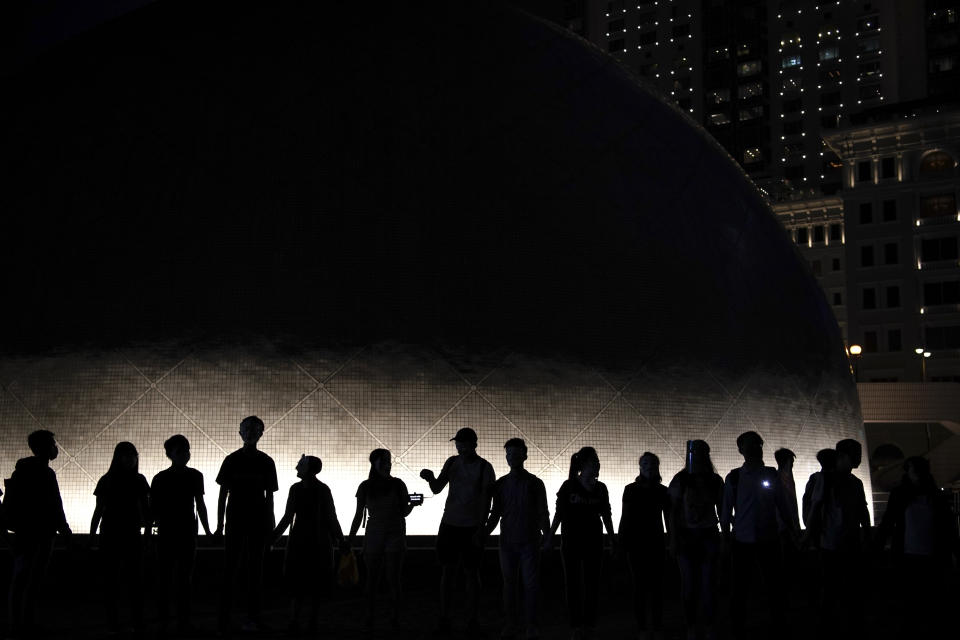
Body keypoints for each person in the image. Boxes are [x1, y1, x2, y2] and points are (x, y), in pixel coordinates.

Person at [720, 431, 797, 637]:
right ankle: (742, 624)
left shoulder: (770, 474)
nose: (756, 448)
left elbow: (781, 505)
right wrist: (726, 537)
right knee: (742, 586)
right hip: (745, 539)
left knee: (771, 584)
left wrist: (791, 529)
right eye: (751, 445)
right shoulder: (734, 477)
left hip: (765, 538)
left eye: (758, 444)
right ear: (741, 450)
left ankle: (774, 621)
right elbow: (726, 510)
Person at [420, 427, 496, 632]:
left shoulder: (484, 468)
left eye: (463, 444)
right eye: (458, 444)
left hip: (467, 526)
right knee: (452, 572)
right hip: (452, 524)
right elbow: (437, 488)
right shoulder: (453, 463)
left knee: (468, 573)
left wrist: (481, 529)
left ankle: (469, 617)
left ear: (474, 444)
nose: (460, 447)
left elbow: (487, 501)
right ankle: (450, 616)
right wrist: (430, 478)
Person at [875, 456, 959, 636]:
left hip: (915, 553)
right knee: (923, 601)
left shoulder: (905, 494)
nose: (918, 475)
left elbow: (888, 522)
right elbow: (947, 525)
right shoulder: (933, 495)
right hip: (921, 555)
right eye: (916, 471)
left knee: (917, 602)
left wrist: (877, 546)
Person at [477, 438, 549, 640]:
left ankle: (524, 624)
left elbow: (543, 513)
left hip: (524, 541)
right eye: (509, 454)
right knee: (517, 584)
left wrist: (547, 535)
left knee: (521, 584)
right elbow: (496, 513)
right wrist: (483, 533)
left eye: (515, 454)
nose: (512, 458)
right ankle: (519, 624)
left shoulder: (532, 483)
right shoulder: (509, 484)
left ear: (524, 456)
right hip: (512, 541)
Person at [5, 430, 72, 637]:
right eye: (53, 444)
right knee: (33, 581)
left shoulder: (21, 471)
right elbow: (55, 503)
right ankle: (26, 622)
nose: (55, 448)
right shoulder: (46, 473)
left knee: (21, 578)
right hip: (43, 533)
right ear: (44, 447)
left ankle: (16, 624)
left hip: (24, 533)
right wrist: (65, 529)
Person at [215, 415, 278, 634]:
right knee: (234, 569)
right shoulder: (235, 460)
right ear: (240, 432)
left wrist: (270, 525)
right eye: (247, 429)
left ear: (260, 433)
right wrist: (220, 524)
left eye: (254, 429)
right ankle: (231, 617)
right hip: (237, 520)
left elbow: (269, 497)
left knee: (251, 571)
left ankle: (240, 617)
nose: (250, 432)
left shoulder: (262, 461)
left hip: (252, 521)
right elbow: (223, 494)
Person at [545, 446, 615, 640]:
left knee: (592, 583)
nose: (597, 465)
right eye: (594, 462)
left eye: (597, 462)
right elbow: (559, 514)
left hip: (594, 542)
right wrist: (550, 535)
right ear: (583, 465)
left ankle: (589, 624)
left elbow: (606, 514)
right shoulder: (568, 487)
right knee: (573, 584)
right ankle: (577, 624)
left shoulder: (601, 488)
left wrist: (611, 536)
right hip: (571, 542)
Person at [274, 454, 346, 634]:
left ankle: (294, 620)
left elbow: (288, 516)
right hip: (320, 541)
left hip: (299, 540)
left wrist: (273, 537)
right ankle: (313, 621)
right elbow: (332, 518)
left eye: (300, 465)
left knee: (297, 584)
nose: (297, 468)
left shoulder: (296, 489)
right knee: (317, 584)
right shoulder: (323, 489)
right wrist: (340, 539)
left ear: (307, 469)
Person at [349, 449, 419, 630]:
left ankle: (371, 618)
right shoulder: (397, 484)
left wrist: (350, 539)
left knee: (375, 579)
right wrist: (412, 504)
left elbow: (358, 516)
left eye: (388, 460)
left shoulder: (366, 486)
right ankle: (393, 619)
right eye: (385, 460)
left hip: (375, 534)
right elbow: (404, 512)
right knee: (391, 579)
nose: (388, 463)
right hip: (392, 533)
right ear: (375, 463)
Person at [150, 434, 211, 636]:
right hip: (176, 533)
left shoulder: (161, 478)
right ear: (170, 454)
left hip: (177, 533)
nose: (185, 454)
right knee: (176, 579)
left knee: (176, 578)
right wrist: (208, 530)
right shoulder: (192, 476)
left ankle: (169, 621)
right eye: (181, 451)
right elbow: (198, 505)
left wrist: (208, 529)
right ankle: (177, 621)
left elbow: (155, 509)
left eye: (186, 450)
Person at [90, 441, 151, 634]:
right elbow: (146, 512)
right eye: (127, 455)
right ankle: (133, 622)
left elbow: (99, 511)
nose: (131, 459)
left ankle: (116, 623)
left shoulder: (107, 480)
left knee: (120, 581)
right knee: (128, 581)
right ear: (118, 458)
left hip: (116, 533)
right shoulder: (138, 480)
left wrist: (92, 536)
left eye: (133, 455)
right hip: (124, 534)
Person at [667, 440, 723, 640]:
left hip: (706, 535)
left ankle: (705, 625)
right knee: (691, 584)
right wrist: (673, 538)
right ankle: (695, 625)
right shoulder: (682, 480)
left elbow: (722, 509)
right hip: (689, 537)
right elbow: (672, 512)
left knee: (706, 584)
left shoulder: (713, 480)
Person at [816, 439, 871, 638]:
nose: (858, 458)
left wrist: (866, 532)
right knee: (833, 588)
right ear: (842, 456)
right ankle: (834, 625)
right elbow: (815, 509)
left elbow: (862, 510)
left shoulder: (855, 482)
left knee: (845, 588)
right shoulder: (827, 480)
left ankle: (840, 625)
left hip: (846, 542)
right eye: (855, 454)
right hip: (832, 542)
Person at [619, 452, 670, 640]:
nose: (649, 466)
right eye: (646, 463)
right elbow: (625, 517)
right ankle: (646, 627)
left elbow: (668, 518)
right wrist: (622, 541)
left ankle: (652, 626)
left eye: (651, 463)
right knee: (642, 587)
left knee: (654, 587)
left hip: (653, 542)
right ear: (640, 466)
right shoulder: (636, 490)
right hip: (639, 543)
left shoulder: (657, 491)